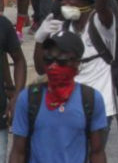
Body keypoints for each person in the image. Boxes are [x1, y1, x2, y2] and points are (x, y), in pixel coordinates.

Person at [10, 30, 108, 163]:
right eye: (49, 60)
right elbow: (17, 152)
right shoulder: (28, 98)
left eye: (61, 60)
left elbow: (97, 153)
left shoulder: (91, 99)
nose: (54, 66)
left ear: (77, 63)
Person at [32, 0, 117, 123]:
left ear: (86, 0)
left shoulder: (100, 25)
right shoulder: (60, 29)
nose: (65, 2)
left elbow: (104, 13)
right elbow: (40, 69)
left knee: (95, 147)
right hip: (69, 106)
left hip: (100, 106)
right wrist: (40, 39)